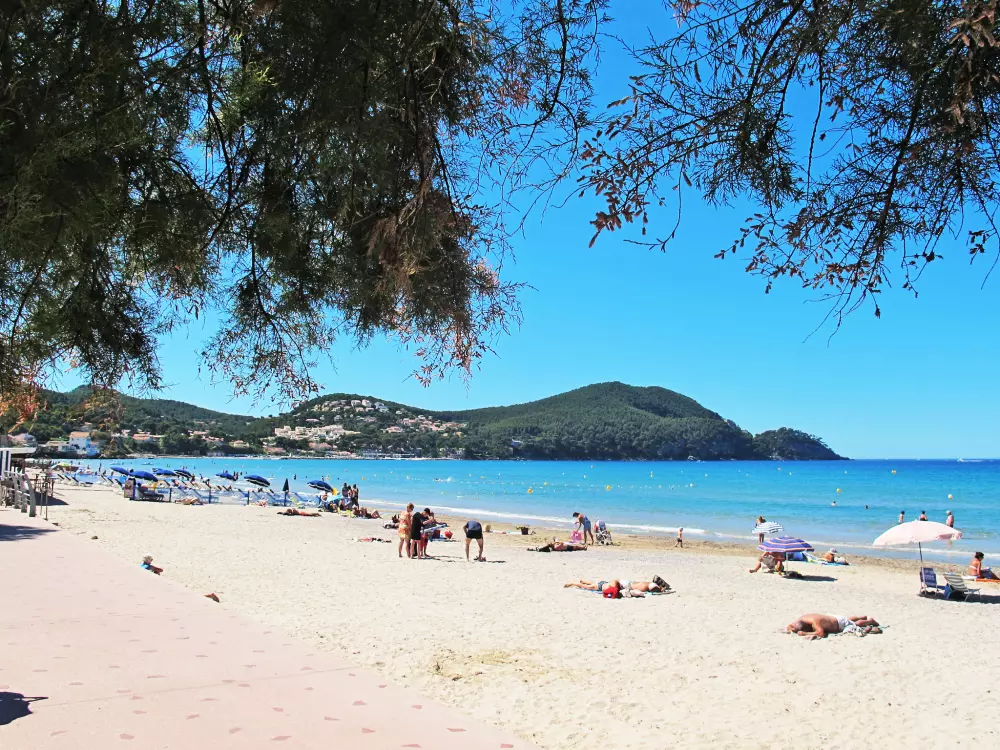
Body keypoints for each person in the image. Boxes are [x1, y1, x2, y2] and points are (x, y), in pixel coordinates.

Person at [786, 614, 881, 639]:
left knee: (855, 624)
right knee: (848, 619)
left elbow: (821, 633)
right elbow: (790, 626)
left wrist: (804, 633)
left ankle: (869, 621)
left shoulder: (815, 622)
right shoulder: (802, 619)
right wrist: (792, 629)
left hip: (838, 624)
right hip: (834, 617)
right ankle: (862, 616)